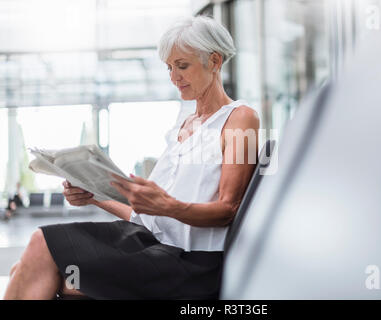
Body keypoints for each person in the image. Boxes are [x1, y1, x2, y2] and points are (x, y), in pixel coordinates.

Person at [3, 16, 260, 300]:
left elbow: (228, 209)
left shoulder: (240, 118)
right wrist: (94, 197)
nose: (174, 77)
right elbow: (149, 217)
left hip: (189, 264)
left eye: (182, 66)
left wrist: (168, 206)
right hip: (150, 246)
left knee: (41, 248)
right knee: (24, 268)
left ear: (214, 61)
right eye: (169, 68)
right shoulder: (183, 125)